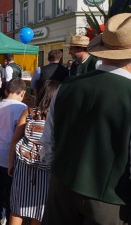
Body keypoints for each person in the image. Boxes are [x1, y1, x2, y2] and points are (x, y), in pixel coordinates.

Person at [41, 13, 131, 224]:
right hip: (109, 200)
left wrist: (61, 174)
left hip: (61, 188)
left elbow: (48, 142)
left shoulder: (68, 86)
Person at [8, 80, 60, 225]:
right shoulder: (59, 116)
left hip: (24, 164)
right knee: (39, 210)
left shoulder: (29, 112)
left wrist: (10, 163)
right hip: (46, 168)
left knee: (17, 208)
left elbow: (15, 139)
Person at [0, 78, 27, 223]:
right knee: (10, 190)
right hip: (8, 153)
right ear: (22, 93)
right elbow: (20, 132)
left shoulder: (0, 104)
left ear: (5, 91)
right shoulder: (22, 108)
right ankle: (9, 217)